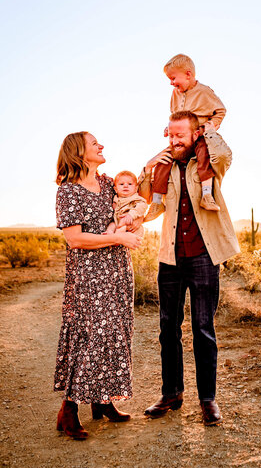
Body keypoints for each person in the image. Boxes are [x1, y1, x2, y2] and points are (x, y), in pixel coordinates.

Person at [140, 111, 240, 426]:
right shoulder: (164, 168)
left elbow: (226, 154)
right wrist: (150, 162)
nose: (174, 140)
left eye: (180, 135)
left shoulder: (208, 163)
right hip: (170, 257)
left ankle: (207, 400)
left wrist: (208, 132)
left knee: (203, 329)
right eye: (170, 135)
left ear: (194, 134)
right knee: (168, 329)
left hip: (203, 256)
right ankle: (171, 393)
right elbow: (143, 195)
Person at [54, 131, 142, 440]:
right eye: (95, 143)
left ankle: (102, 402)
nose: (101, 145)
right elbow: (74, 238)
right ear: (79, 152)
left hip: (118, 271)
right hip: (89, 275)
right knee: (90, 336)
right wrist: (117, 237)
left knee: (116, 333)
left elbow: (133, 204)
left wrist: (131, 221)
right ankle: (69, 409)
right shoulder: (68, 191)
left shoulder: (108, 184)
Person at [144, 54, 226, 222]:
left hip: (199, 135)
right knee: (163, 160)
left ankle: (206, 195)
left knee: (204, 156)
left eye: (173, 78)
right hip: (182, 140)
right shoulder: (175, 94)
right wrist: (170, 127)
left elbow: (221, 111)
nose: (171, 82)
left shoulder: (204, 92)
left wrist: (211, 126)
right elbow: (174, 115)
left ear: (188, 74)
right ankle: (157, 202)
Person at [104, 170, 147, 236]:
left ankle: (117, 237)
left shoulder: (135, 198)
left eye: (130, 184)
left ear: (136, 188)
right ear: (115, 189)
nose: (126, 186)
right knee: (112, 224)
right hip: (117, 222)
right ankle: (109, 232)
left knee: (123, 223)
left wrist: (131, 215)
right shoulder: (115, 198)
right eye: (121, 184)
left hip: (131, 225)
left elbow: (143, 206)